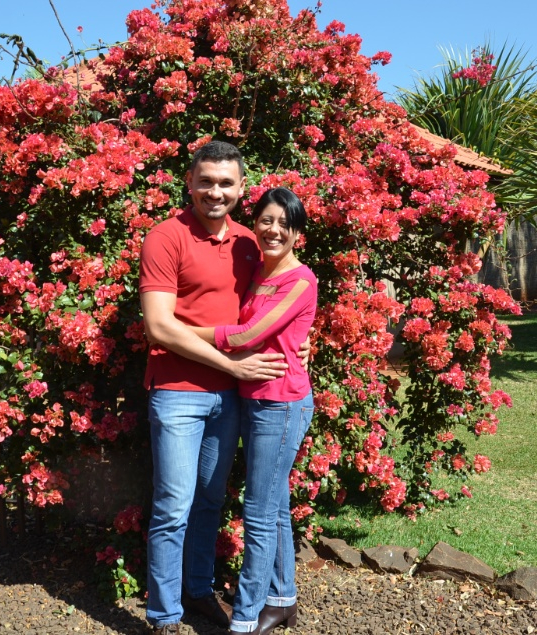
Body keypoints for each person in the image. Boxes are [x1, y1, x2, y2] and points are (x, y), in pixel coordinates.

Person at [139, 141, 299, 635]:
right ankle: (163, 616)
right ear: (189, 182)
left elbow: (285, 299)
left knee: (210, 501)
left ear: (241, 188)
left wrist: (300, 345)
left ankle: (198, 591)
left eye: (226, 183)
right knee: (173, 506)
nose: (215, 191)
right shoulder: (165, 238)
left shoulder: (253, 243)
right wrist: (234, 364)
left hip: (232, 396)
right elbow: (159, 328)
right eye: (206, 181)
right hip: (178, 392)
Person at [187, 187, 316, 635]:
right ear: (254, 222)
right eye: (266, 219)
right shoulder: (259, 269)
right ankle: (281, 600)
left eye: (285, 223)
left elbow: (245, 336)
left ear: (298, 233)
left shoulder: (300, 280)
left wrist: (178, 330)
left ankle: (244, 617)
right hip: (253, 399)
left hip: (280, 404)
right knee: (274, 505)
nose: (274, 229)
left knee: (258, 510)